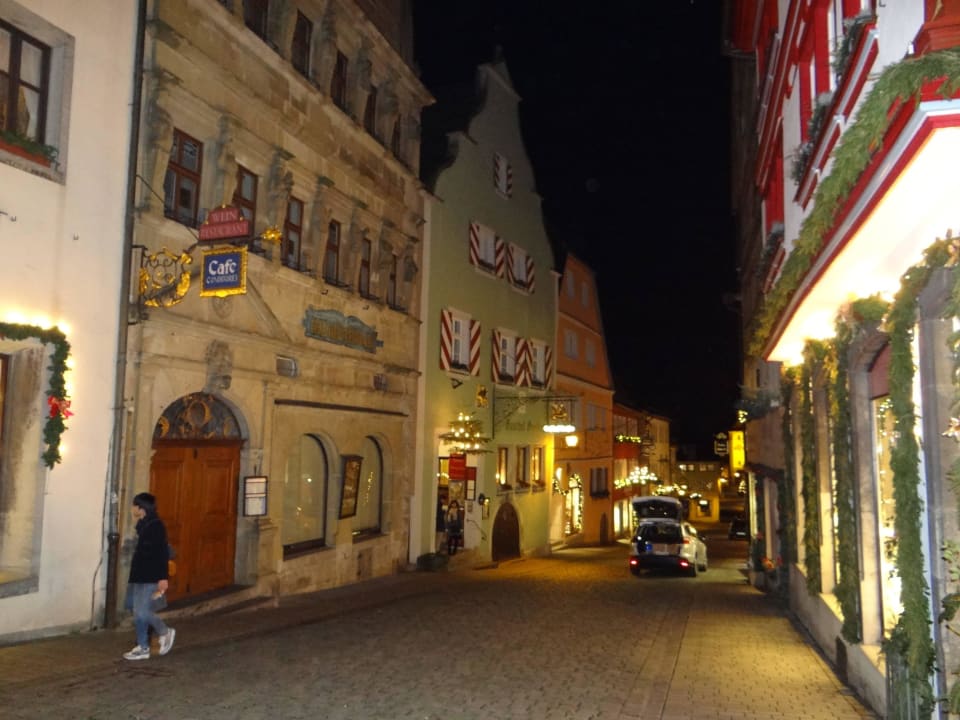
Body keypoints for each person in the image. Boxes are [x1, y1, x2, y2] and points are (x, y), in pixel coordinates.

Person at [123, 492, 176, 660]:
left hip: (150, 575)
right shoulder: (143, 524)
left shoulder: (155, 526)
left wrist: (163, 578)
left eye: (134, 505)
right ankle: (142, 646)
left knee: (142, 612)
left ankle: (164, 631)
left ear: (141, 508)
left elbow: (161, 553)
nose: (132, 509)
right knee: (137, 611)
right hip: (140, 574)